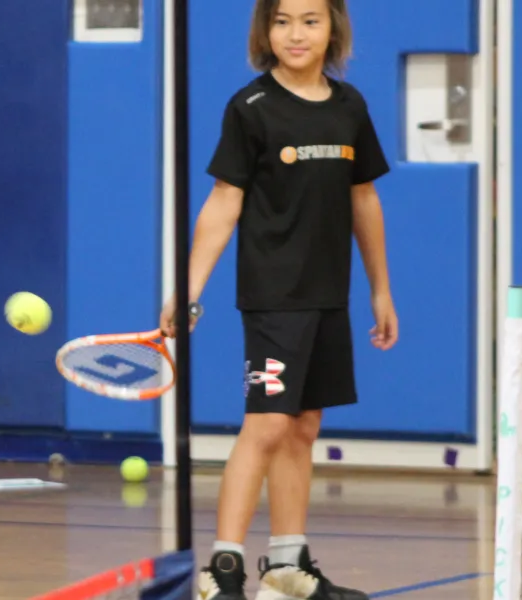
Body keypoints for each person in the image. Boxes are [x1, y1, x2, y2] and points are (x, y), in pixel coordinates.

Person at [160, 0, 396, 598]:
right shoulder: (251, 107)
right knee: (266, 425)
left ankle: (288, 568)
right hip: (273, 297)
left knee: (303, 427)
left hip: (329, 296)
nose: (296, 33)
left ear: (332, 29)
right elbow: (223, 201)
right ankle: (223, 570)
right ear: (265, 30)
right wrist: (189, 286)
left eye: (310, 20)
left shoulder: (350, 107)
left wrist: (380, 289)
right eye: (283, 20)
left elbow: (363, 199)